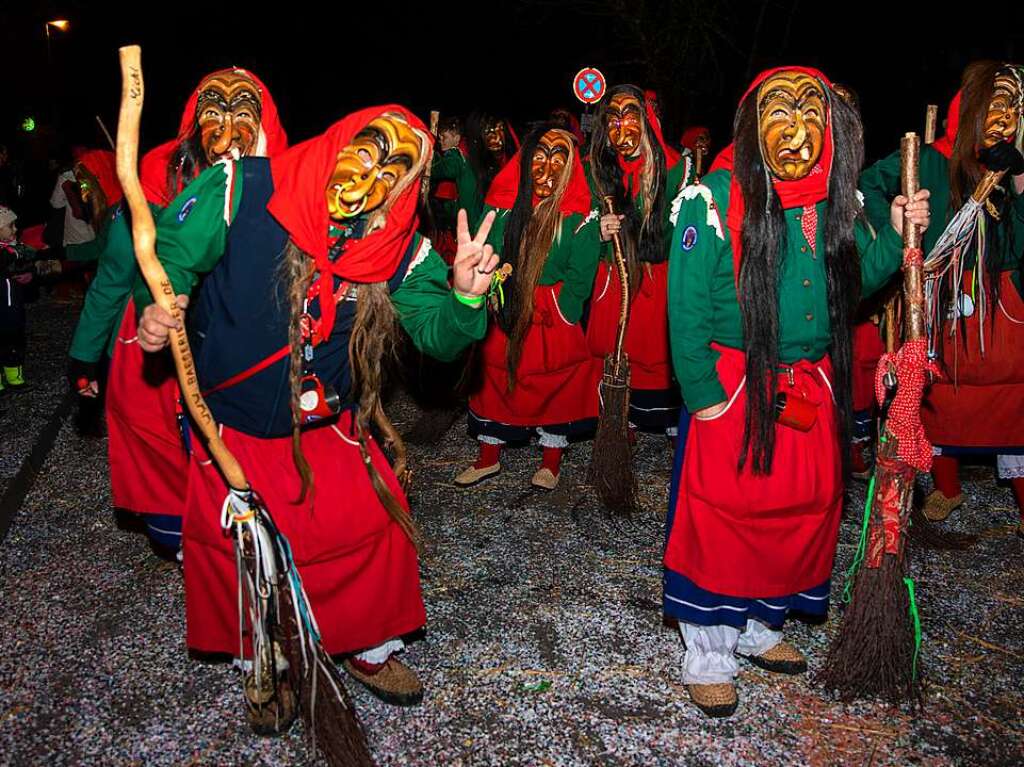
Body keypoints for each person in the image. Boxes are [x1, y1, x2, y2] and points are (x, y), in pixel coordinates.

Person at [135, 105, 497, 708]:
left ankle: (365, 645)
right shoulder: (241, 189)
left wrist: (463, 296)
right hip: (236, 426)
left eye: (395, 172)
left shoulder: (396, 240)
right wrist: (161, 305)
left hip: (326, 422)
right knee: (248, 557)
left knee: (368, 532)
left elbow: (438, 333)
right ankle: (266, 666)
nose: (373, 177)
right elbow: (173, 252)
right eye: (367, 152)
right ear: (339, 140)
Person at [664, 66, 931, 717]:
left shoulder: (832, 204)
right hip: (738, 389)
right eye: (777, 113)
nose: (795, 129)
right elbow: (686, 306)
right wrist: (706, 397)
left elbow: (850, 288)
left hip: (807, 388)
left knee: (800, 510)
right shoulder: (714, 200)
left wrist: (896, 231)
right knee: (729, 516)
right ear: (753, 127)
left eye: (809, 112)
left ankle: (759, 627)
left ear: (830, 129)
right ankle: (709, 651)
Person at [67, 68, 287, 554]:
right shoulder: (156, 177)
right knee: (164, 447)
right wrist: (85, 354)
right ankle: (193, 544)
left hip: (244, 343)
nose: (227, 126)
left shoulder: (286, 184)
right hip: (162, 341)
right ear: (192, 122)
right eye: (213, 111)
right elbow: (116, 274)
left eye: (243, 111)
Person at [861, 61, 1024, 531]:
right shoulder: (934, 157)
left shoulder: (1014, 162)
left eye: (1013, 108)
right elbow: (869, 186)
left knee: (1012, 394)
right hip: (945, 292)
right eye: (995, 107)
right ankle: (947, 488)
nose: (1004, 119)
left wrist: (1017, 180)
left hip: (1004, 297)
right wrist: (900, 229)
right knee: (941, 391)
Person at [455, 126, 600, 489]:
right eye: (538, 155)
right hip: (506, 304)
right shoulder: (504, 207)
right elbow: (485, 248)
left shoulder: (579, 215)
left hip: (550, 314)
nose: (546, 166)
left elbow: (581, 273)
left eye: (557, 158)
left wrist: (563, 308)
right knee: (496, 377)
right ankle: (488, 457)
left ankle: (550, 461)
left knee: (554, 384)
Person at [586, 85, 694, 438]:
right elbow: (578, 218)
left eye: (630, 117)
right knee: (617, 348)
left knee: (656, 349)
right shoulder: (596, 170)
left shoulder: (675, 170)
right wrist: (598, 231)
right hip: (615, 275)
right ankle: (621, 418)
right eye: (612, 121)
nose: (621, 130)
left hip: (658, 275)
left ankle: (668, 419)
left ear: (646, 121)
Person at [0, 205, 36, 393]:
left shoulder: (16, 248)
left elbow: (29, 263)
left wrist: (30, 272)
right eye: (10, 226)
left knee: (14, 342)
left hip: (12, 308)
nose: (15, 229)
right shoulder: (8, 252)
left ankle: (15, 378)